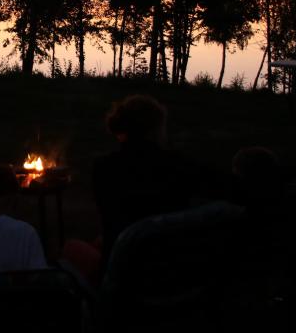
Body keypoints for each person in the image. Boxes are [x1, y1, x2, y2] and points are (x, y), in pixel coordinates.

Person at [92, 94, 228, 265]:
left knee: (73, 248)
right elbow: (224, 186)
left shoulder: (103, 168)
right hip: (172, 265)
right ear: (155, 129)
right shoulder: (180, 165)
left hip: (121, 267)